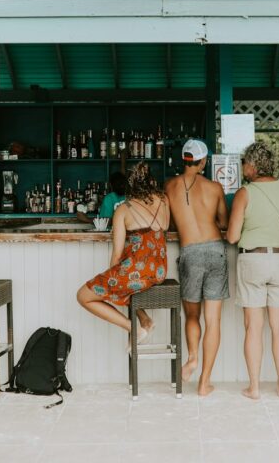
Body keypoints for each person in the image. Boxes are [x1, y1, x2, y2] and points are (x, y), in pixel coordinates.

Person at [227, 141, 279, 399]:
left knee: (253, 328)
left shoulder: (244, 193)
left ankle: (255, 387)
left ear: (253, 166)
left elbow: (233, 237)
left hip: (253, 262)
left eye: (245, 163)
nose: (243, 168)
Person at [76, 162, 170, 346]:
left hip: (136, 271)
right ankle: (145, 320)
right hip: (159, 271)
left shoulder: (123, 209)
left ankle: (134, 328)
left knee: (83, 296)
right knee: (124, 285)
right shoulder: (164, 201)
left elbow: (117, 254)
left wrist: (112, 279)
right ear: (152, 181)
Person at [165, 139, 229, 397]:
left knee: (192, 316)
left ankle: (192, 357)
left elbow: (169, 225)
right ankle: (204, 382)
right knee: (213, 321)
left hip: (190, 252)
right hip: (215, 249)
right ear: (203, 162)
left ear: (184, 160)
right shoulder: (214, 187)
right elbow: (223, 221)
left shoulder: (169, 186)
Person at [77, 151, 127, 224]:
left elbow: (106, 221)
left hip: (112, 232)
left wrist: (85, 219)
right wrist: (123, 161)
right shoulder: (130, 196)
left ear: (111, 185)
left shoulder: (109, 198)